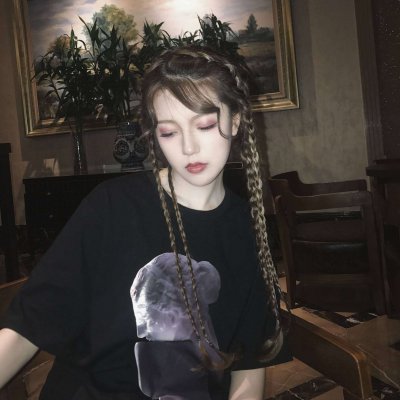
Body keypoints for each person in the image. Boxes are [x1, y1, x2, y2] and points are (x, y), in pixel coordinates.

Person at [0, 46, 291, 399]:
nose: (188, 148)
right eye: (168, 132)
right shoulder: (111, 208)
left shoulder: (248, 231)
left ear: (236, 120)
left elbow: (249, 367)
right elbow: (28, 327)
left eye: (204, 125)